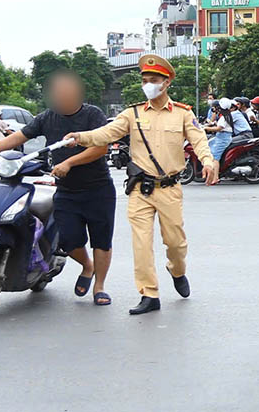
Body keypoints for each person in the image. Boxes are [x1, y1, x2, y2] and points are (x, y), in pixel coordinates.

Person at [64, 54, 217, 315]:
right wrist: (80, 137)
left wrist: (208, 161)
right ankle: (149, 293)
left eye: (154, 80)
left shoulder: (182, 113)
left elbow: (199, 139)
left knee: (175, 244)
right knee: (141, 244)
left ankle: (177, 270)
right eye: (145, 80)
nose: (148, 85)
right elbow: (106, 134)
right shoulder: (131, 114)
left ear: (166, 82)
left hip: (169, 188)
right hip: (140, 190)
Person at [0, 70, 116, 306]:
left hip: (98, 189)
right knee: (67, 239)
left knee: (101, 240)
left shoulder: (92, 115)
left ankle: (99, 286)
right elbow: (18, 138)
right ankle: (87, 266)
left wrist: (69, 162)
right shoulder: (47, 117)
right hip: (66, 190)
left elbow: (100, 148)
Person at [205, 98, 234, 178]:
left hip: (223, 138)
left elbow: (219, 128)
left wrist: (206, 128)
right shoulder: (227, 116)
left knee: (215, 158)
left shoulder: (224, 117)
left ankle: (215, 178)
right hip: (221, 137)